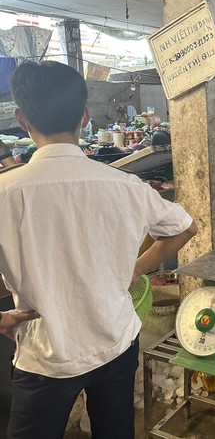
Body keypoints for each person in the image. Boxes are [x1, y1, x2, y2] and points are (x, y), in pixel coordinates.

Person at [0, 61, 198, 438]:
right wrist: (136, 268)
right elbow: (186, 228)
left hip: (47, 355)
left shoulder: (6, 193)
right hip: (115, 341)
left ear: (22, 119)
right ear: (86, 116)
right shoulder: (126, 185)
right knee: (115, 431)